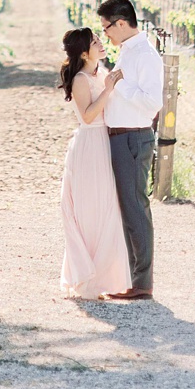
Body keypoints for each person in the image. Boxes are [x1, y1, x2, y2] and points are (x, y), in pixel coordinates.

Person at [57, 26, 131, 299]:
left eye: (100, 39)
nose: (101, 44)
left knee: (105, 208)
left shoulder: (99, 73)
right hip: (89, 145)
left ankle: (102, 277)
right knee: (90, 210)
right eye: (95, 42)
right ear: (84, 52)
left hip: (105, 141)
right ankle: (87, 277)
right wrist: (108, 90)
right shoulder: (80, 79)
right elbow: (88, 116)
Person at [96, 0, 162, 301]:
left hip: (133, 137)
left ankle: (141, 283)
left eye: (107, 26)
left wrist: (118, 84)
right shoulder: (127, 52)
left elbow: (152, 103)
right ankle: (131, 279)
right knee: (127, 209)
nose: (105, 33)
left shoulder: (145, 56)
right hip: (120, 137)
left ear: (121, 23)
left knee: (136, 209)